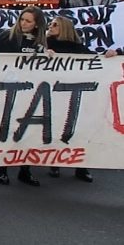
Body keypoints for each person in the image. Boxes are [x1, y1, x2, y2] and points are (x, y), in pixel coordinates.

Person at [0, 6, 49, 186]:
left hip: (32, 93)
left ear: (37, 24)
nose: (23, 23)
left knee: (29, 132)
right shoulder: (8, 36)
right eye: (22, 19)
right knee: (7, 129)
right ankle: (2, 168)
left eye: (28, 21)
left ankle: (25, 169)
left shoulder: (42, 42)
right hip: (8, 90)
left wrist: (51, 55)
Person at [45, 16, 94, 182]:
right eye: (50, 24)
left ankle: (81, 166)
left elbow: (95, 61)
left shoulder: (78, 47)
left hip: (76, 94)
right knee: (56, 127)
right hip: (54, 93)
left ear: (64, 28)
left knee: (78, 130)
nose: (51, 27)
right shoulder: (46, 44)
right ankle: (55, 162)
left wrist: (110, 55)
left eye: (55, 25)